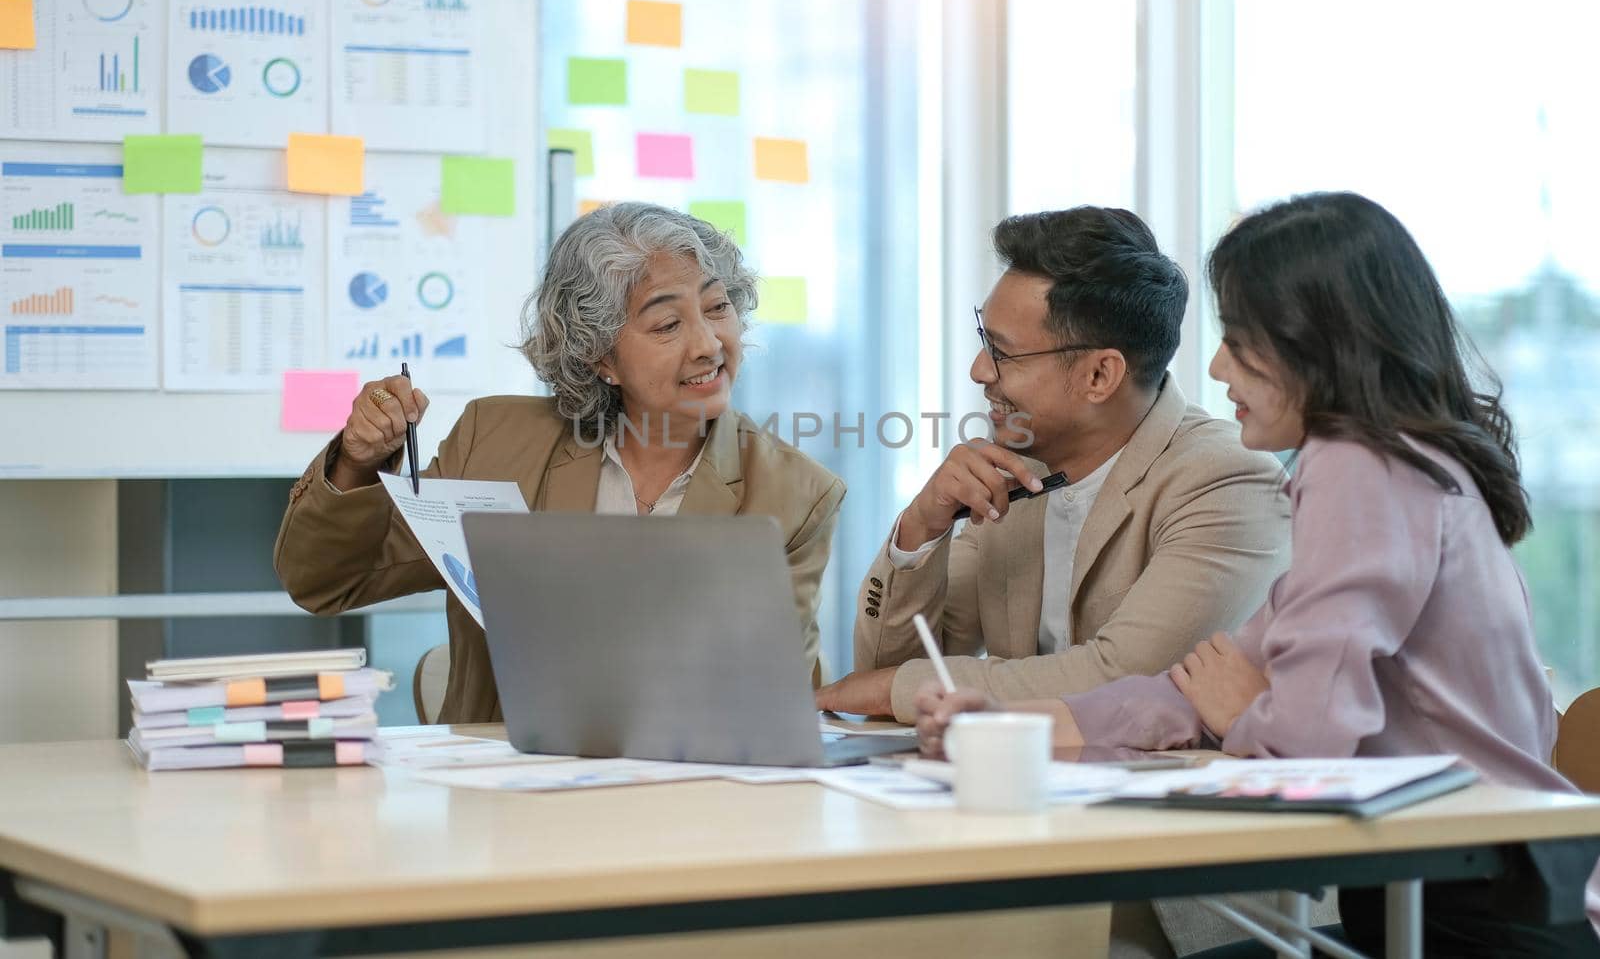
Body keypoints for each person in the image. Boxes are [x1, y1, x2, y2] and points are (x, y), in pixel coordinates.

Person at [915, 192, 1600, 956]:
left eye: (1239, 342)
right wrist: (1006, 726)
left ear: (1316, 348)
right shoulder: (1395, 461)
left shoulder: (1363, 467)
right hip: (1469, 894)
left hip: (1487, 919)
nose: (1215, 366)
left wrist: (1247, 710)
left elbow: (1300, 744)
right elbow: (1199, 684)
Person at [275, 202, 846, 723]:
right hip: (509, 806)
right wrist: (357, 459)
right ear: (601, 358)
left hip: (688, 801)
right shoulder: (495, 444)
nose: (709, 344)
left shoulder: (794, 494)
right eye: (668, 324)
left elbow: (772, 703)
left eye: (719, 308)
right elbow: (327, 581)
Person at [815, 206, 1291, 723]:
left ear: (1099, 376)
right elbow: (887, 673)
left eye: (1002, 353)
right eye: (983, 341)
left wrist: (898, 690)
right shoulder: (1017, 469)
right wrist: (921, 531)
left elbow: (1123, 679)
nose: (979, 371)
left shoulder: (1228, 480)